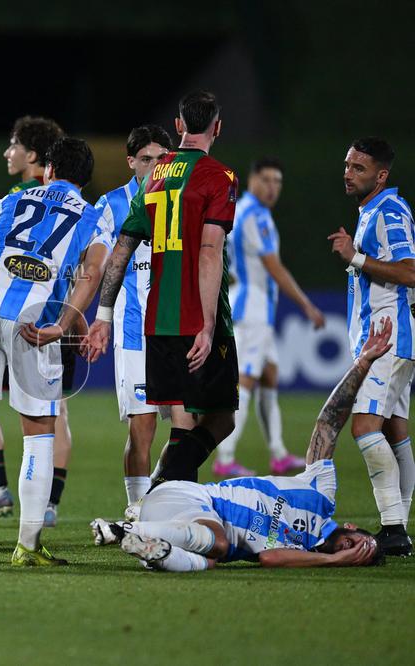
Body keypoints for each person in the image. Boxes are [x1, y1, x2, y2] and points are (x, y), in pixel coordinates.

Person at [90, 319, 392, 572]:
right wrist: (362, 364)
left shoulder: (307, 552)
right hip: (186, 499)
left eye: (358, 555)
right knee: (218, 543)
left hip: (191, 532)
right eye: (359, 543)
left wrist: (335, 559)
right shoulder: (320, 495)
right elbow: (329, 424)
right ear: (352, 527)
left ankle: (154, 551)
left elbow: (269, 557)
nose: (351, 549)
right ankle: (125, 529)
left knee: (209, 561)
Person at [0, 137, 99, 566]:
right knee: (40, 434)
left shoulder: (15, 198)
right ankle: (27, 545)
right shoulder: (92, 216)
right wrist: (64, 323)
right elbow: (93, 271)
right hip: (34, 323)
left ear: (47, 170)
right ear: (85, 180)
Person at [86, 90, 239, 488]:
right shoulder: (219, 177)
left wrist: (102, 315)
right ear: (217, 127)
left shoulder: (153, 175)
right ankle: (159, 500)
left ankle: (164, 507)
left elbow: (121, 248)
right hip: (196, 317)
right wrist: (206, 324)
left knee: (181, 426)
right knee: (219, 417)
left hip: (157, 320)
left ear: (178, 126)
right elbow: (209, 252)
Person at [0, 115, 77, 528]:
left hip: (10, 313)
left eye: (13, 144)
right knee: (53, 414)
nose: (7, 152)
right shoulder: (71, 201)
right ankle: (48, 503)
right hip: (54, 316)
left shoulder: (18, 197)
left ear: (33, 155)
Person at [90, 125, 197, 515]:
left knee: (187, 427)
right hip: (134, 332)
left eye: (162, 159)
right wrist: (100, 317)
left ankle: (157, 499)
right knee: (143, 427)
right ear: (131, 161)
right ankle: (137, 509)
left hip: (175, 330)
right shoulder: (112, 205)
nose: (154, 166)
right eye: (147, 159)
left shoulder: (182, 201)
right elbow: (98, 259)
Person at [328, 136, 415, 556]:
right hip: (382, 339)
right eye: (347, 165)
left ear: (381, 175)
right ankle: (397, 529)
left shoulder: (390, 212)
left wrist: (355, 257)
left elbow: (411, 271)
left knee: (364, 428)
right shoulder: (370, 213)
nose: (348, 173)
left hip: (389, 339)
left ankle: (395, 528)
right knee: (397, 433)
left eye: (358, 168)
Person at [214, 157, 326, 478]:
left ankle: (277, 452)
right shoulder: (255, 215)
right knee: (245, 380)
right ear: (252, 180)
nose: (272, 187)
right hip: (253, 308)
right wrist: (306, 304)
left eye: (278, 182)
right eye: (266, 180)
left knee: (270, 375)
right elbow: (273, 266)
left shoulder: (244, 210)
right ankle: (225, 456)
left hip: (253, 305)